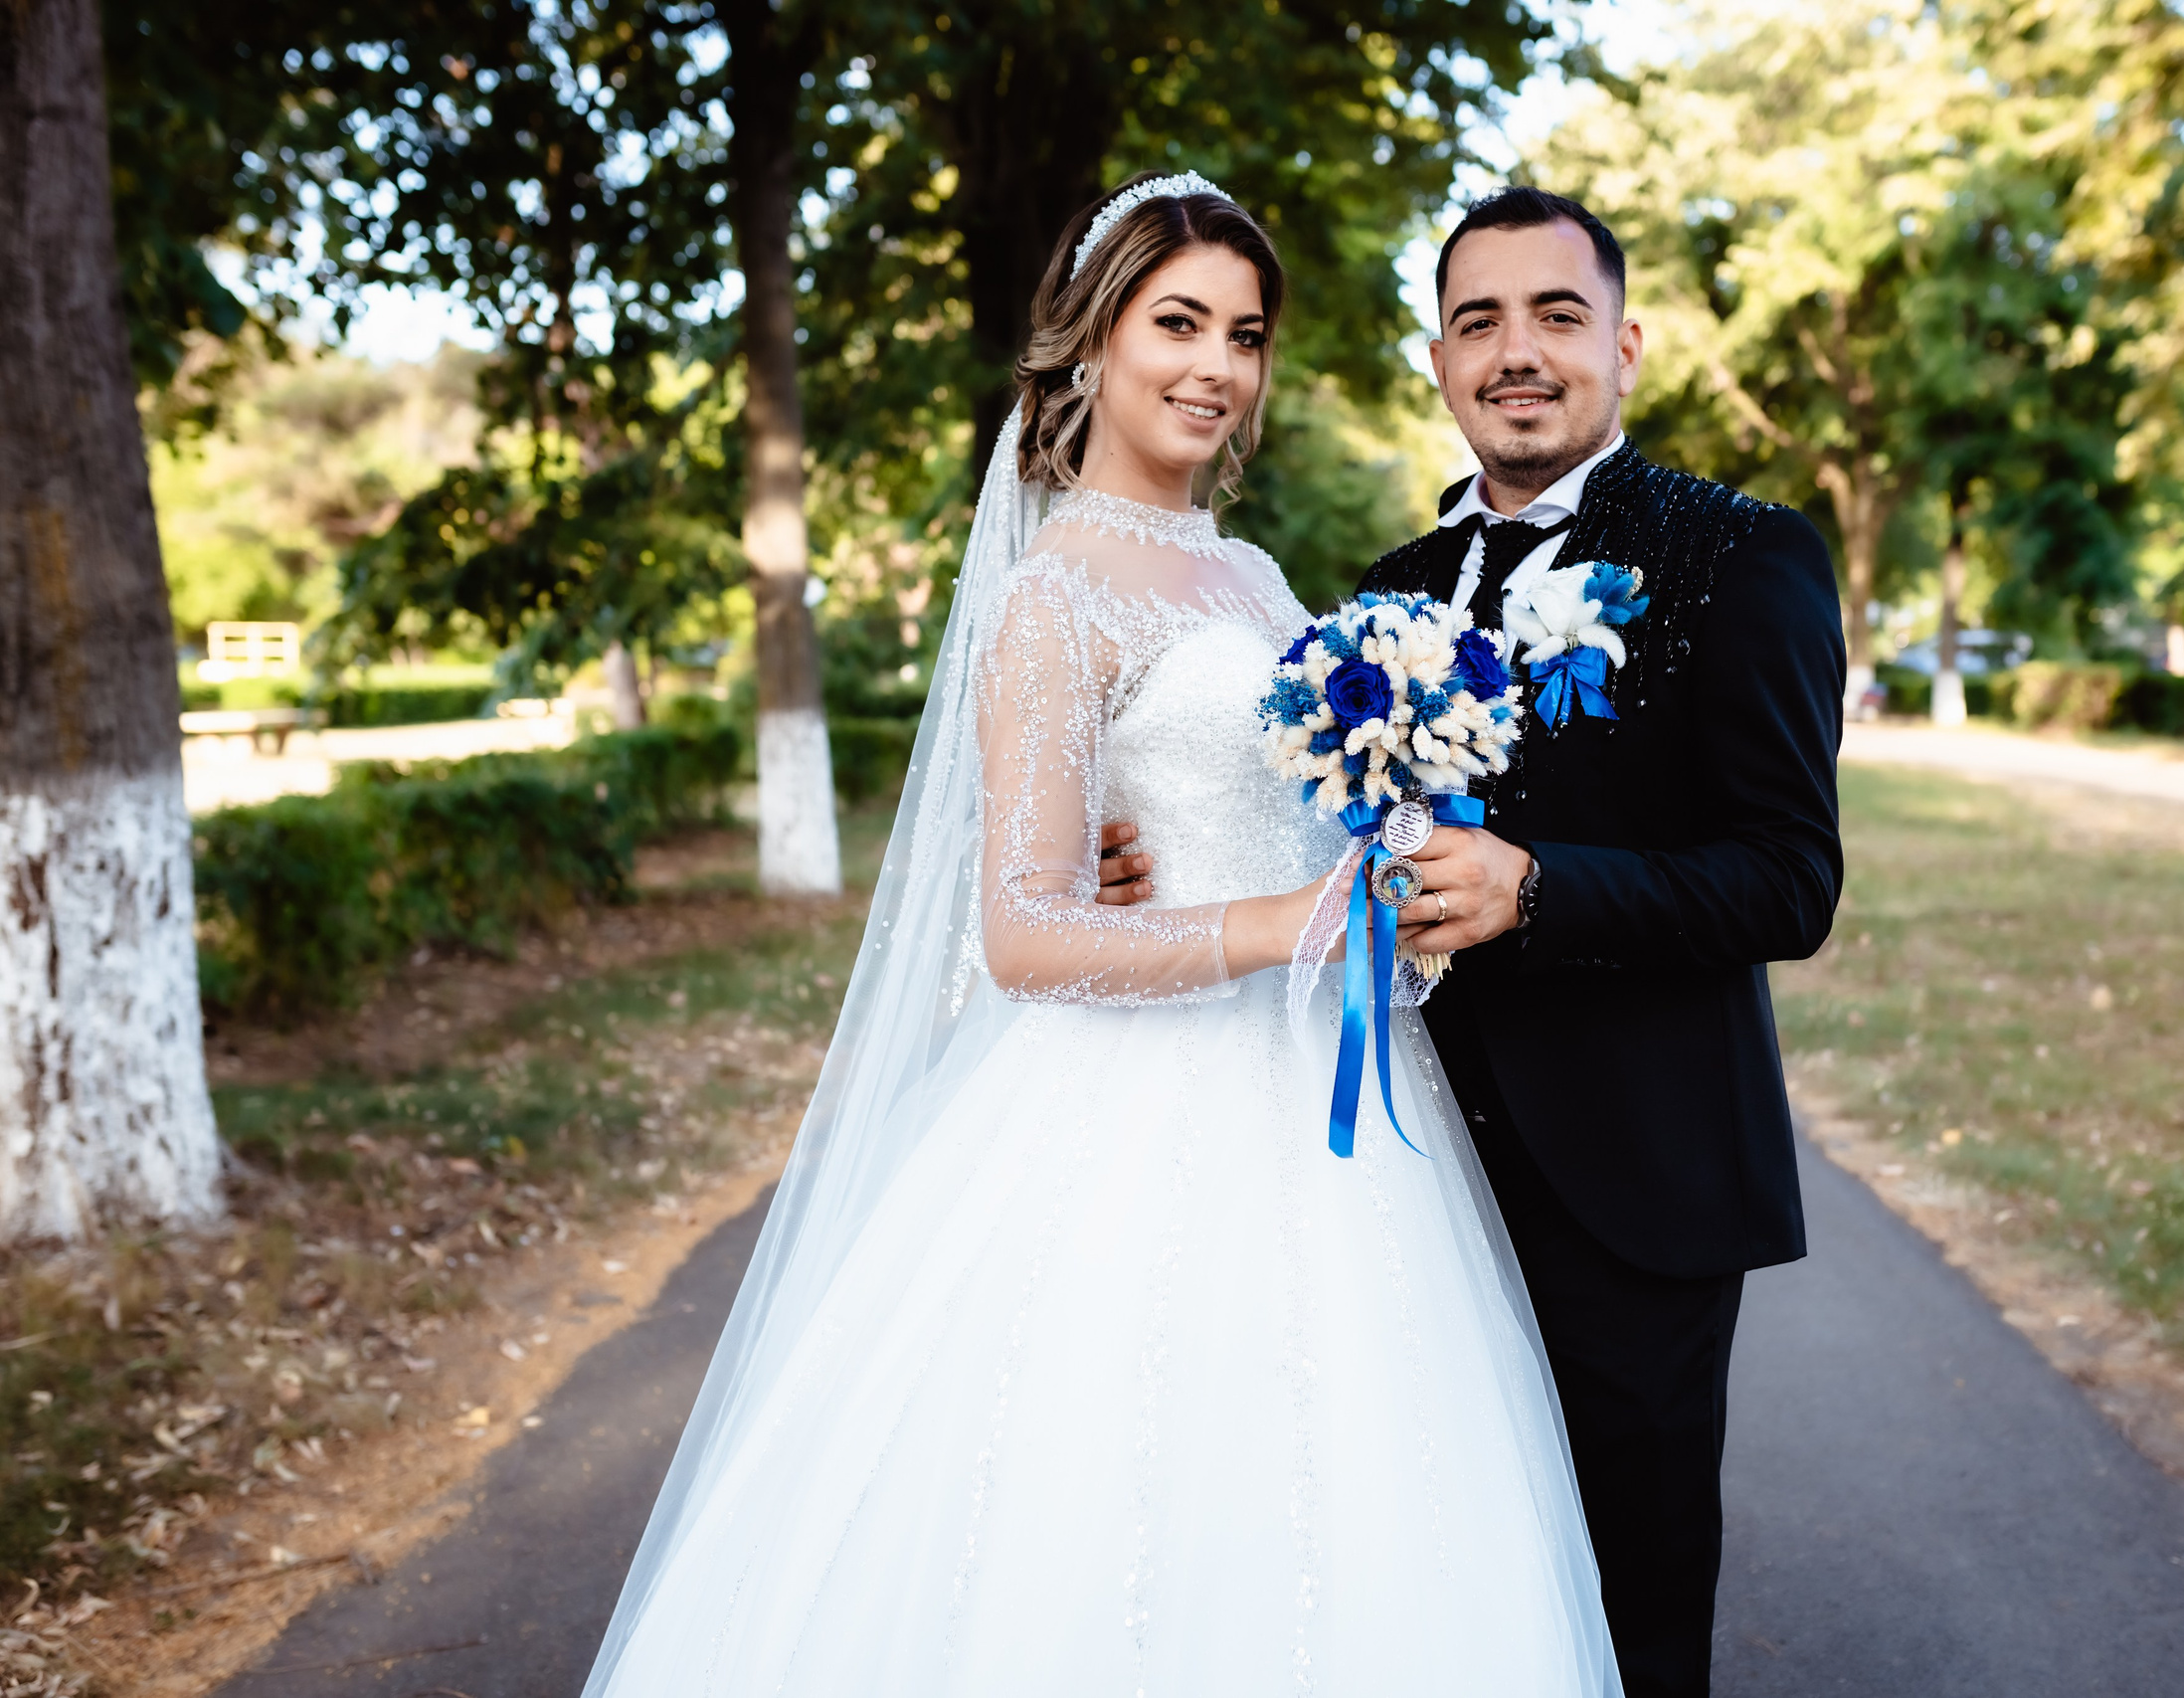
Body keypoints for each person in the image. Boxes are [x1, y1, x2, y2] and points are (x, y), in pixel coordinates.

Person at [579, 173, 1621, 1697]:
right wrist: (1275, 920)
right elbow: (1023, 933)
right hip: (1141, 1114)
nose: (1216, 365)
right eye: (1177, 323)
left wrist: (1387, 871)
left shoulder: (1255, 576)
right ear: (1092, 343)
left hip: (1325, 1110)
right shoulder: (1053, 591)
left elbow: (1272, 810)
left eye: (1245, 335)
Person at [1360, 187, 1845, 1696]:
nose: (1518, 351)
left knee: (1627, 1609)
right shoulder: (1383, 597)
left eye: (1556, 316)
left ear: (1624, 347)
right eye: (1479, 320)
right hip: (1410, 1183)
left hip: (1638, 1191)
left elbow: (1788, 881)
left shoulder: (1739, 554)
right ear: (1438, 362)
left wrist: (1541, 889)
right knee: (1441, 1583)